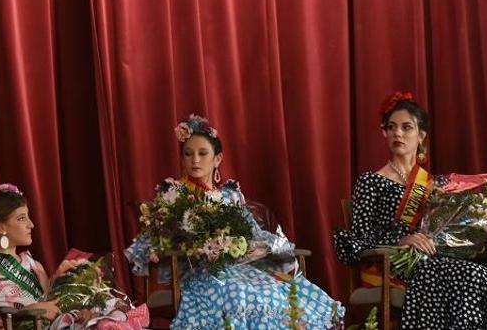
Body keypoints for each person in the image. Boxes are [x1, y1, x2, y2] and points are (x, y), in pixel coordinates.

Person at [126, 114, 341, 329]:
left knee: (274, 291)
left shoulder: (230, 196)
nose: (195, 160)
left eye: (203, 153)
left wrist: (251, 247)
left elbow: (251, 234)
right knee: (238, 294)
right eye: (188, 154)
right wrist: (192, 244)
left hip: (240, 269)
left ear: (217, 159)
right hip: (200, 274)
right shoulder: (173, 196)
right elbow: (156, 243)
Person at [333, 93, 487, 329]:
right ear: (384, 133)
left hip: (436, 260)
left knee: (479, 275)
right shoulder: (370, 182)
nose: (398, 133)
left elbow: (457, 232)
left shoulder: (434, 183)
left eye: (407, 127)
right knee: (468, 276)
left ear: (421, 135)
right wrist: (402, 239)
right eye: (392, 127)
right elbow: (360, 238)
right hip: (393, 265)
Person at [0, 184, 148, 329]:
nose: (31, 224)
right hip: (21, 325)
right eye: (21, 218)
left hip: (51, 324)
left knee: (104, 310)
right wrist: (30, 310)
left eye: (28, 217)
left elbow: (51, 301)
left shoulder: (34, 264)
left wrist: (78, 303)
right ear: (1, 228)